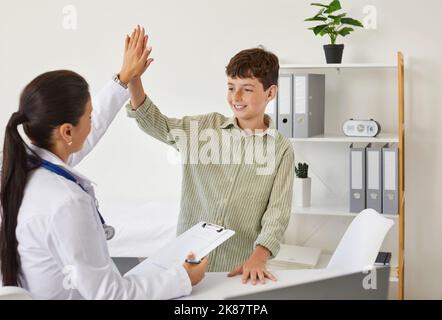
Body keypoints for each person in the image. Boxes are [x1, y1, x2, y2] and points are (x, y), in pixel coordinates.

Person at [0, 26, 207, 300]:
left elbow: (89, 132)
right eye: (88, 115)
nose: (92, 120)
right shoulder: (66, 203)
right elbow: (110, 295)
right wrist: (183, 278)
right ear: (66, 131)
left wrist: (123, 80)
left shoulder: (21, 169)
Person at [126, 40, 294, 285]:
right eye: (230, 87)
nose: (236, 97)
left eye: (247, 89)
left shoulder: (280, 149)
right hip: (187, 266)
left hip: (238, 270)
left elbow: (277, 214)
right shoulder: (204, 128)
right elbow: (156, 124)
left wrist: (259, 257)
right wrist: (133, 79)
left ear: (270, 93)